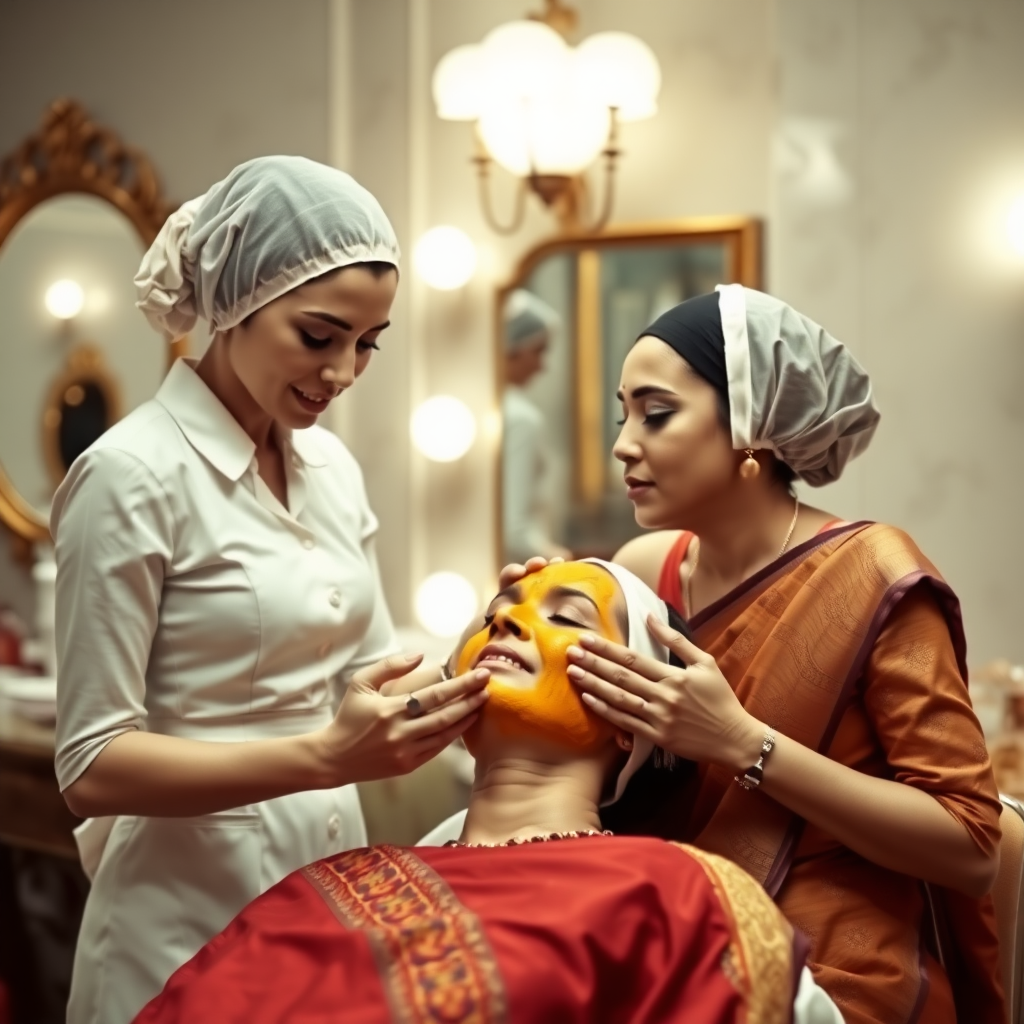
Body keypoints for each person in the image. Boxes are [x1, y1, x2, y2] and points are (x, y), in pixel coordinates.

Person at [50, 156, 490, 1024]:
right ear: (236, 303)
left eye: (368, 343)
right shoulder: (130, 474)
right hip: (175, 922)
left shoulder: (330, 468)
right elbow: (90, 765)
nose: (344, 373)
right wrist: (326, 758)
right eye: (319, 336)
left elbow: (370, 671)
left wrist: (499, 648)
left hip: (326, 899)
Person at [132, 560, 843, 1024]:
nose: (506, 619)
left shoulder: (678, 897)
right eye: (497, 609)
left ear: (633, 722)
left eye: (565, 618)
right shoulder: (329, 885)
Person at [558, 286, 1004, 1024]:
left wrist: (741, 743)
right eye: (623, 413)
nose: (623, 443)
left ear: (753, 431)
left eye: (657, 413)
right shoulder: (642, 570)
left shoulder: (875, 574)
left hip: (831, 968)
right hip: (661, 931)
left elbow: (971, 846)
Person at [501, 288, 571, 564]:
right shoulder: (520, 418)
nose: (543, 366)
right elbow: (513, 529)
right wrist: (558, 559)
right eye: (538, 351)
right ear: (511, 348)